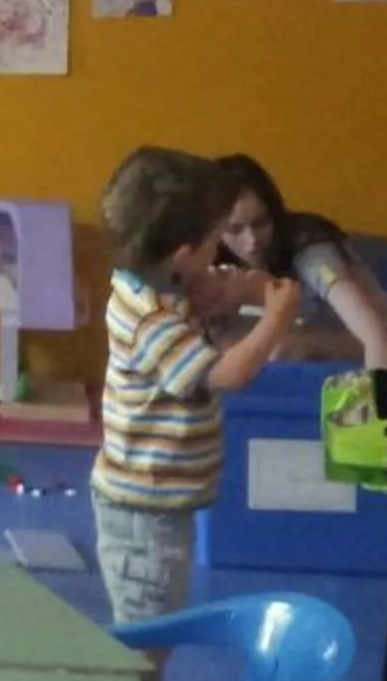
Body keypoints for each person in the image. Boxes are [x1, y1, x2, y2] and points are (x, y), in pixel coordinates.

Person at [93, 146, 301, 633]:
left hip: (161, 504)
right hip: (143, 515)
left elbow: (231, 283)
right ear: (184, 255)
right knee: (146, 642)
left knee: (157, 631)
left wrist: (251, 290)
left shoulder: (164, 281)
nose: (219, 257)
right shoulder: (149, 318)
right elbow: (228, 375)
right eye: (214, 241)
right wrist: (275, 320)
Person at [210, 153, 387, 370]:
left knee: (286, 347)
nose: (252, 240)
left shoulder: (309, 249)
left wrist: (370, 400)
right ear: (214, 230)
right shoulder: (213, 263)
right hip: (310, 367)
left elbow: (379, 338)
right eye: (235, 229)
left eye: (261, 222)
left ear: (274, 213)